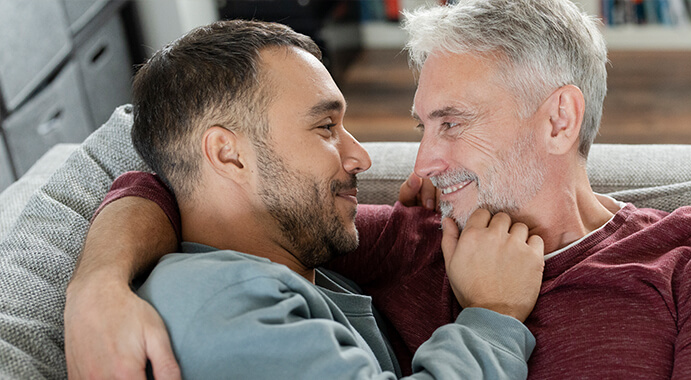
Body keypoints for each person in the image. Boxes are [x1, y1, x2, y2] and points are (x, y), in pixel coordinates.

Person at [65, 0, 691, 379]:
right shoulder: (408, 238)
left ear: (560, 118)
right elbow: (163, 178)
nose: (423, 160)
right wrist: (97, 283)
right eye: (422, 125)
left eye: (452, 122)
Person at [64, 19, 546, 379]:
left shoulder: (290, 257)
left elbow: (140, 185)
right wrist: (494, 314)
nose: (361, 157)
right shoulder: (222, 306)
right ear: (229, 155)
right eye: (325, 127)